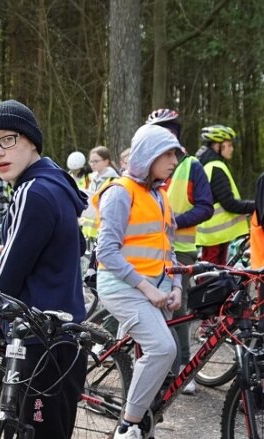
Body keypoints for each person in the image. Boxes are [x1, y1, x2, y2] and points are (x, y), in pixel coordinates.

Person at [0, 99, 88, 438]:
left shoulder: (33, 190)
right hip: (63, 336)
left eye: (6, 139)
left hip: (38, 340)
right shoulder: (57, 184)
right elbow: (70, 247)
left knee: (37, 429)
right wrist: (9, 247)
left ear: (31, 140)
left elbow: (6, 280)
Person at [94, 124, 183, 439]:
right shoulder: (120, 192)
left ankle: (143, 425)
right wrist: (146, 287)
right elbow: (105, 251)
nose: (174, 160)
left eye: (176, 153)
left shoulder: (159, 194)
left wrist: (175, 286)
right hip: (122, 287)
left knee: (151, 359)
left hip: (154, 288)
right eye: (168, 153)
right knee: (162, 348)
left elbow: (166, 249)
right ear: (149, 156)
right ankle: (128, 425)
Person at [148, 109, 213, 395]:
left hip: (181, 250)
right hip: (148, 248)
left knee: (177, 308)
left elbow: (205, 206)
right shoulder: (146, 165)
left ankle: (185, 370)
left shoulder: (191, 165)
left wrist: (173, 222)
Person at [195, 124, 254, 265]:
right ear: (217, 146)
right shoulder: (216, 167)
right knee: (211, 278)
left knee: (214, 276)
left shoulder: (207, 164)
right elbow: (229, 203)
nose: (232, 149)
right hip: (215, 235)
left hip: (214, 235)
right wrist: (256, 205)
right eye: (229, 145)